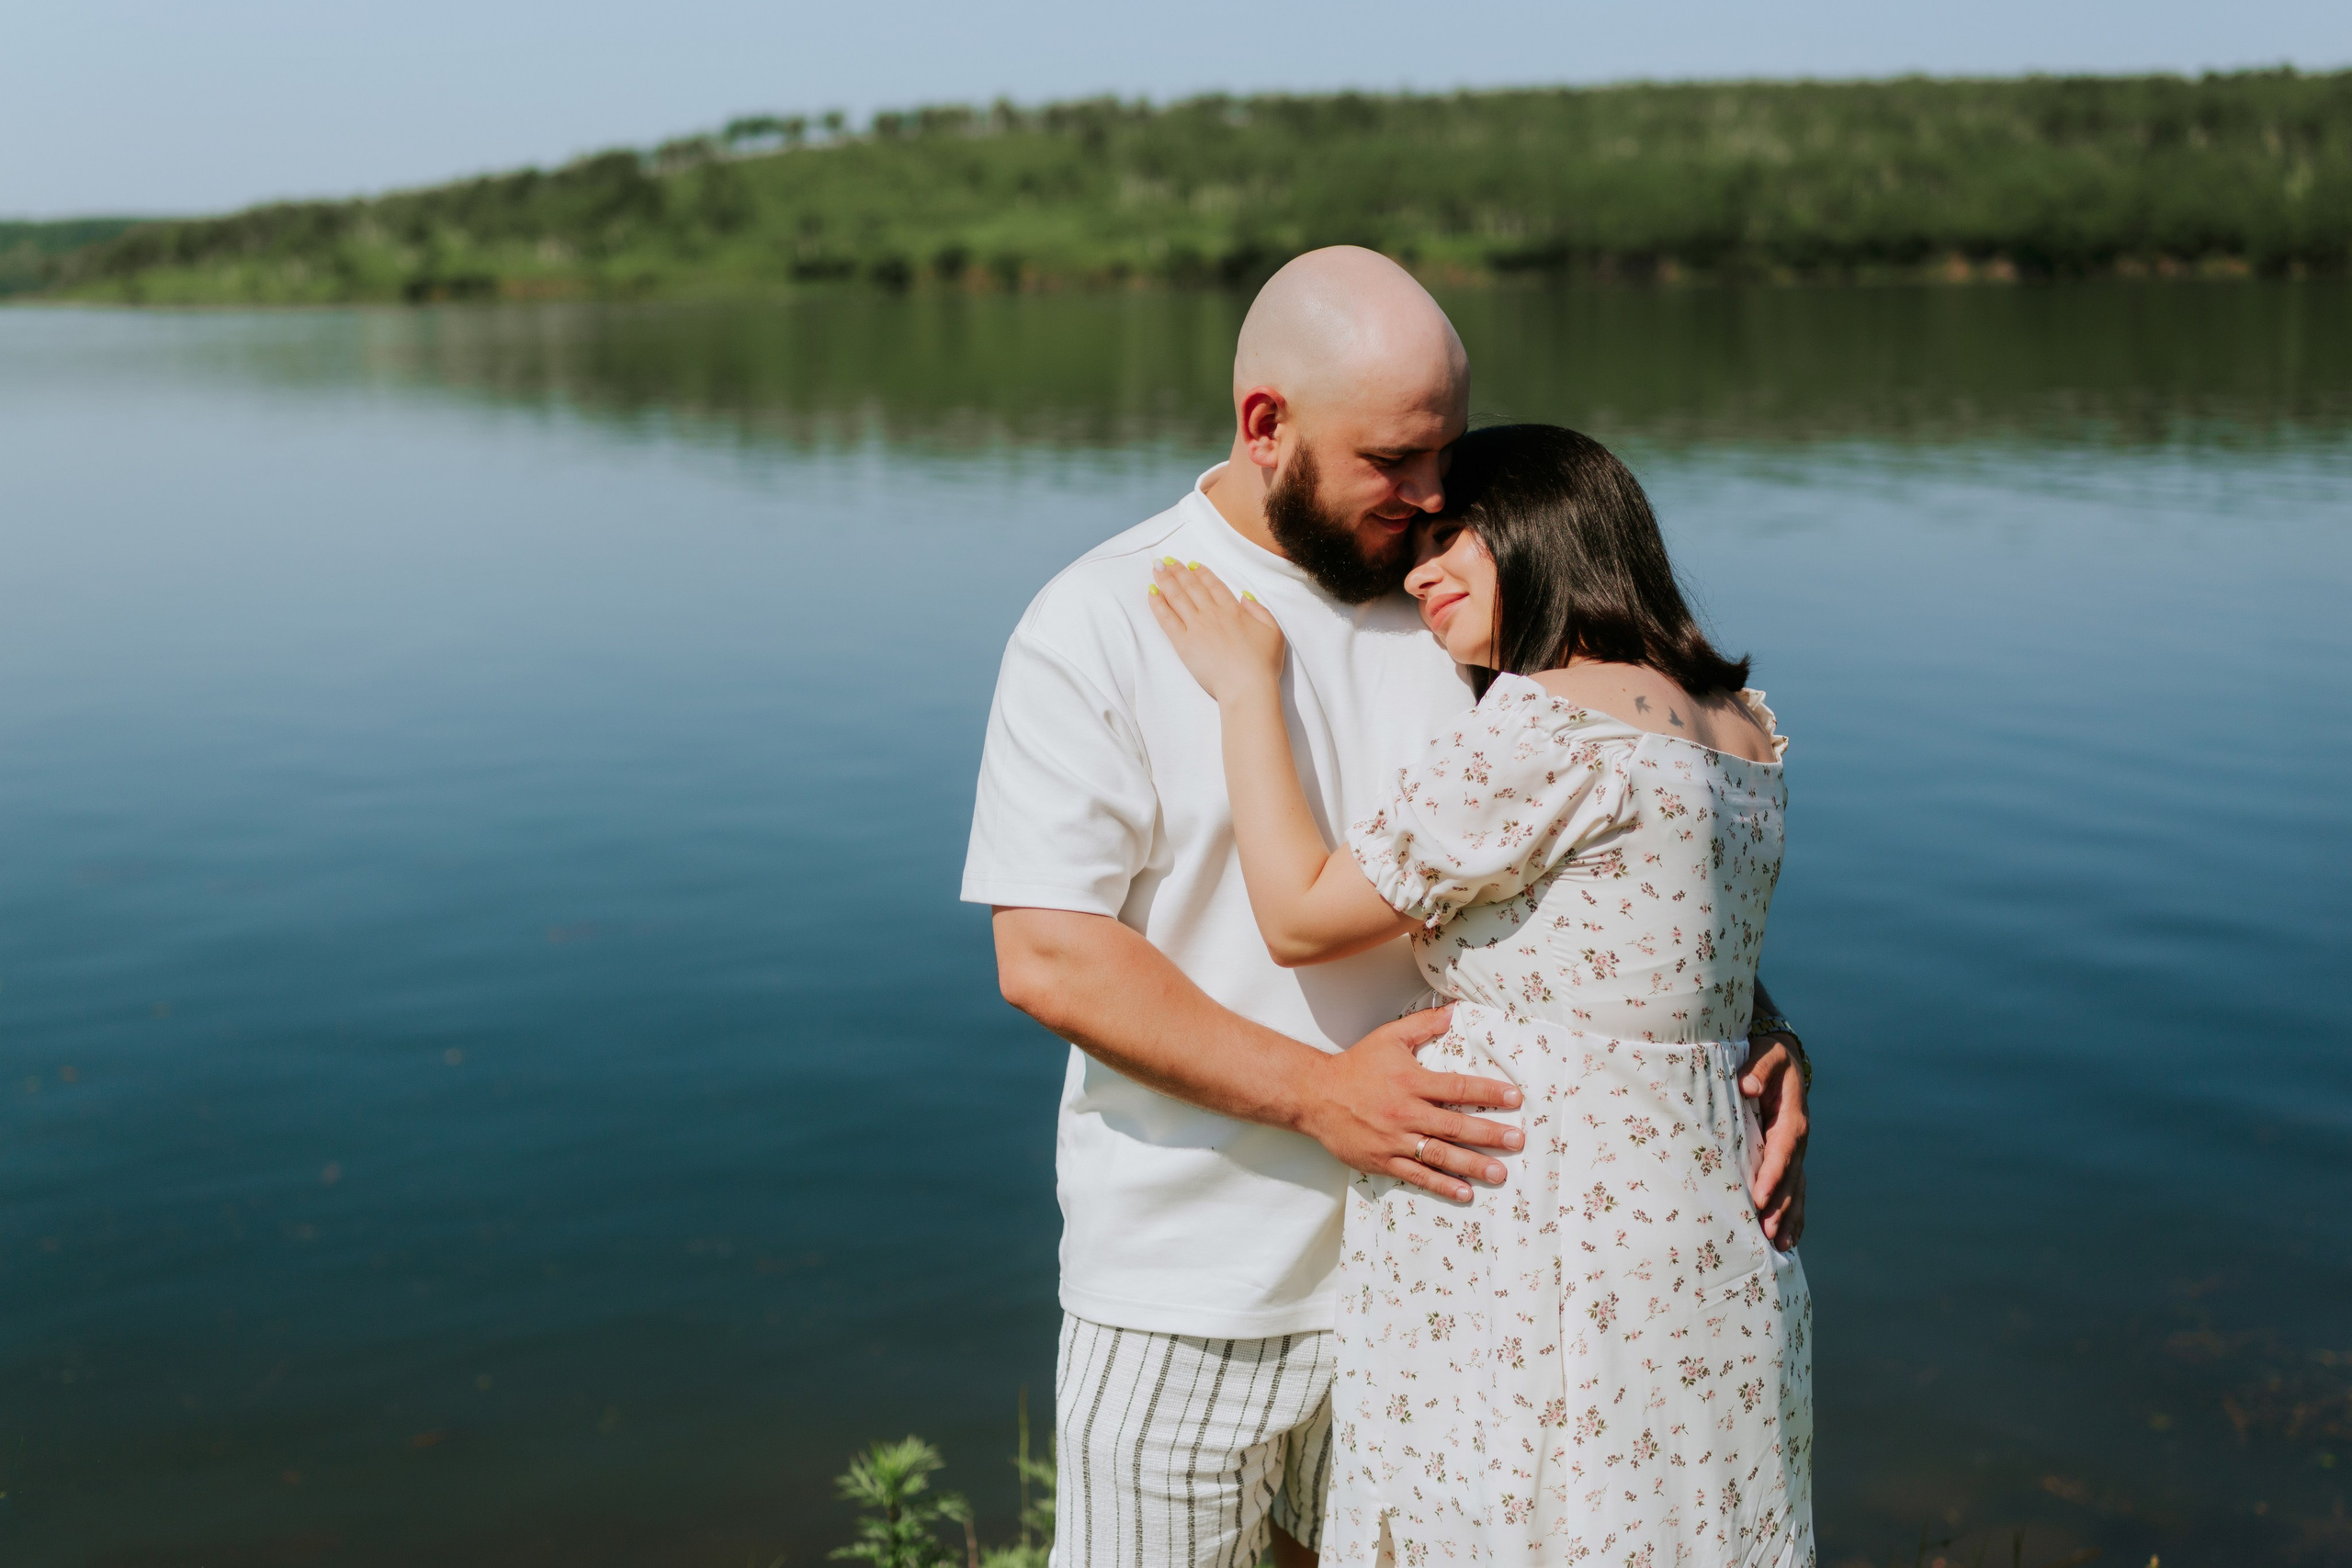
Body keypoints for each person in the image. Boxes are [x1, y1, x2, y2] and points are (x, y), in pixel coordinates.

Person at [963, 248, 1811, 1568]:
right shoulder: (1102, 620)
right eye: (1394, 462)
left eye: (1449, 453)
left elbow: (1609, 852)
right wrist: (1319, 1093)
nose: (1429, 497)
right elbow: (1053, 958)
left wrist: (1754, 1034)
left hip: (1458, 1293)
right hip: (1199, 1293)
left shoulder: (1472, 608)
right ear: (1267, 425)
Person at [1143, 422, 1812, 1564]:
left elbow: (1301, 916)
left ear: (1550, 532)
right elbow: (1684, 958)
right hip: (1698, 1222)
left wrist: (1248, 690)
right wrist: (1779, 1034)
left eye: (1458, 538)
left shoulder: (1546, 719)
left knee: (1514, 1518)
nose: (1419, 572)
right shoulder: (1740, 728)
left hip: (1533, 1220)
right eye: (1419, 545)